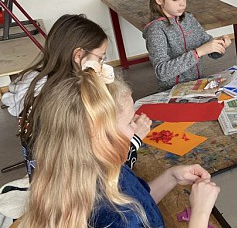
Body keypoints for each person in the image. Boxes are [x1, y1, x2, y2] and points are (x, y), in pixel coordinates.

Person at [18, 71, 220, 228]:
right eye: (130, 122)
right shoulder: (112, 217)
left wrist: (171, 177)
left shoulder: (89, 171)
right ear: (100, 136)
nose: (136, 129)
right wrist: (201, 212)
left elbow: (137, 204)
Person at [1, 14, 150, 176]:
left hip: (42, 179)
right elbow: (107, 176)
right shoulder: (70, 103)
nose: (102, 65)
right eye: (100, 58)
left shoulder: (34, 84)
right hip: (74, 185)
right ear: (78, 55)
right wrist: (134, 140)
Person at [143, 0, 231, 90]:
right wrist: (198, 52)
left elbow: (210, 49)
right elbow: (162, 72)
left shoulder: (189, 19)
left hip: (197, 85)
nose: (182, 4)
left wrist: (220, 44)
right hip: (173, 91)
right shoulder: (156, 30)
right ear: (159, 0)